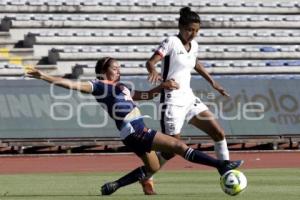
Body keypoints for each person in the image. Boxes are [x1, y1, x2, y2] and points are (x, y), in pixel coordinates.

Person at [26, 57, 243, 196]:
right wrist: (44, 76)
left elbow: (143, 96)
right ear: (103, 71)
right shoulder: (100, 86)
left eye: (119, 67)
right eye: (114, 68)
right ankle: (221, 166)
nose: (118, 70)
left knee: (154, 167)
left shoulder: (122, 87)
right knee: (177, 145)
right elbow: (71, 84)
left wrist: (162, 86)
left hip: (131, 133)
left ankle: (115, 185)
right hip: (135, 130)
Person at [140, 7, 232, 194]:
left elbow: (195, 62)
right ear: (181, 26)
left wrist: (213, 82)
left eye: (196, 30)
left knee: (218, 133)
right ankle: (146, 175)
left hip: (189, 98)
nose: (193, 34)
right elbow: (150, 62)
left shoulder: (195, 45)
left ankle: (227, 173)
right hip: (172, 101)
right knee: (171, 150)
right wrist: (154, 72)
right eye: (190, 29)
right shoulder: (171, 41)